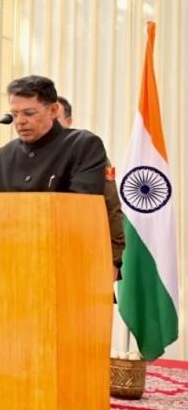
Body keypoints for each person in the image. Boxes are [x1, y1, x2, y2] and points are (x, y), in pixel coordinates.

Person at [0, 75, 107, 195]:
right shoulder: (4, 154)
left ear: (53, 110)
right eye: (15, 114)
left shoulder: (83, 145)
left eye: (29, 113)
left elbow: (81, 204)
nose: (20, 121)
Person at [56, 97, 125, 279]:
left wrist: (114, 260)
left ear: (69, 122)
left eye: (56, 120)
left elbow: (111, 208)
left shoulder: (89, 155)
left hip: (84, 257)